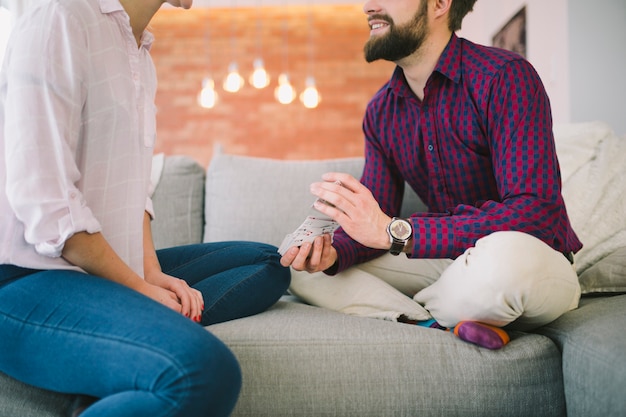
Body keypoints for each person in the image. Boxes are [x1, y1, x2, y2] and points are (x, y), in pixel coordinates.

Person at [0, 0, 290, 416]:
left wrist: (150, 273)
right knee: (202, 370)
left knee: (268, 263)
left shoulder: (138, 52)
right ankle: (141, 339)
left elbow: (133, 187)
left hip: (96, 274)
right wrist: (139, 290)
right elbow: (49, 208)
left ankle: (135, 333)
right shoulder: (59, 17)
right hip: (25, 278)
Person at [281, 0, 582, 350]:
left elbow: (535, 212)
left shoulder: (505, 76)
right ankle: (433, 320)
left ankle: (430, 304)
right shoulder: (381, 112)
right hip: (449, 261)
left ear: (439, 4)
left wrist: (399, 232)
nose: (368, 6)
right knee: (304, 275)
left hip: (526, 259)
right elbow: (374, 224)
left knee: (503, 264)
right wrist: (332, 254)